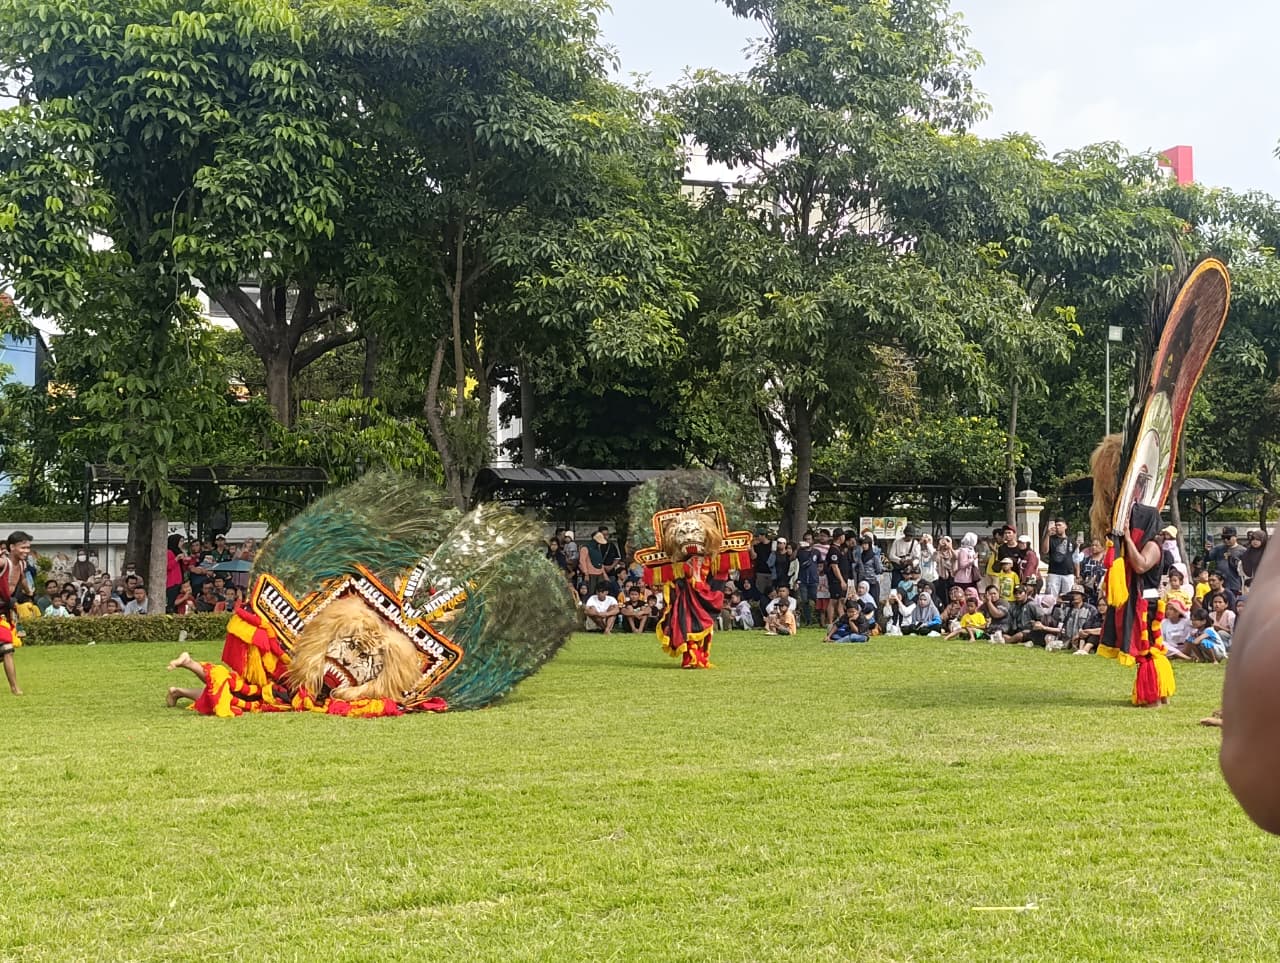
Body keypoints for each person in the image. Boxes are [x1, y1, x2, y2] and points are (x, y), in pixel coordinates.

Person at [1041, 518, 1075, 599]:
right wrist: (1047, 535)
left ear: (1065, 526)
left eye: (1059, 525)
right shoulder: (1051, 538)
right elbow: (1044, 551)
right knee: (1051, 598)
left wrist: (1077, 574)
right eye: (1056, 525)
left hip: (1068, 573)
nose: (1057, 527)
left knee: (1068, 597)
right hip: (1054, 573)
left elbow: (1075, 558)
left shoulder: (1071, 540)